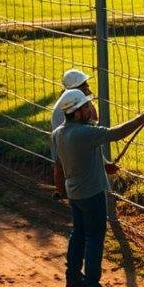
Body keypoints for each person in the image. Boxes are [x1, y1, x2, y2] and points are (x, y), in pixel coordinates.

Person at [52, 89, 144, 287]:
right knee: (95, 238)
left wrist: (104, 165)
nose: (90, 108)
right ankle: (91, 286)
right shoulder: (85, 133)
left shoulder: (59, 133)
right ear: (77, 112)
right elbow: (116, 133)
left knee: (78, 234)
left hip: (75, 194)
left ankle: (73, 279)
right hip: (92, 194)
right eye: (86, 106)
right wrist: (142, 119)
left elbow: (69, 161)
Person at [51, 69, 116, 198]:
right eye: (84, 85)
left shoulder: (77, 102)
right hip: (68, 148)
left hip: (76, 145)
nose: (88, 87)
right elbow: (85, 137)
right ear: (75, 89)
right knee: (62, 165)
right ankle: (63, 193)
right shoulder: (68, 109)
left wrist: (103, 163)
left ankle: (70, 197)